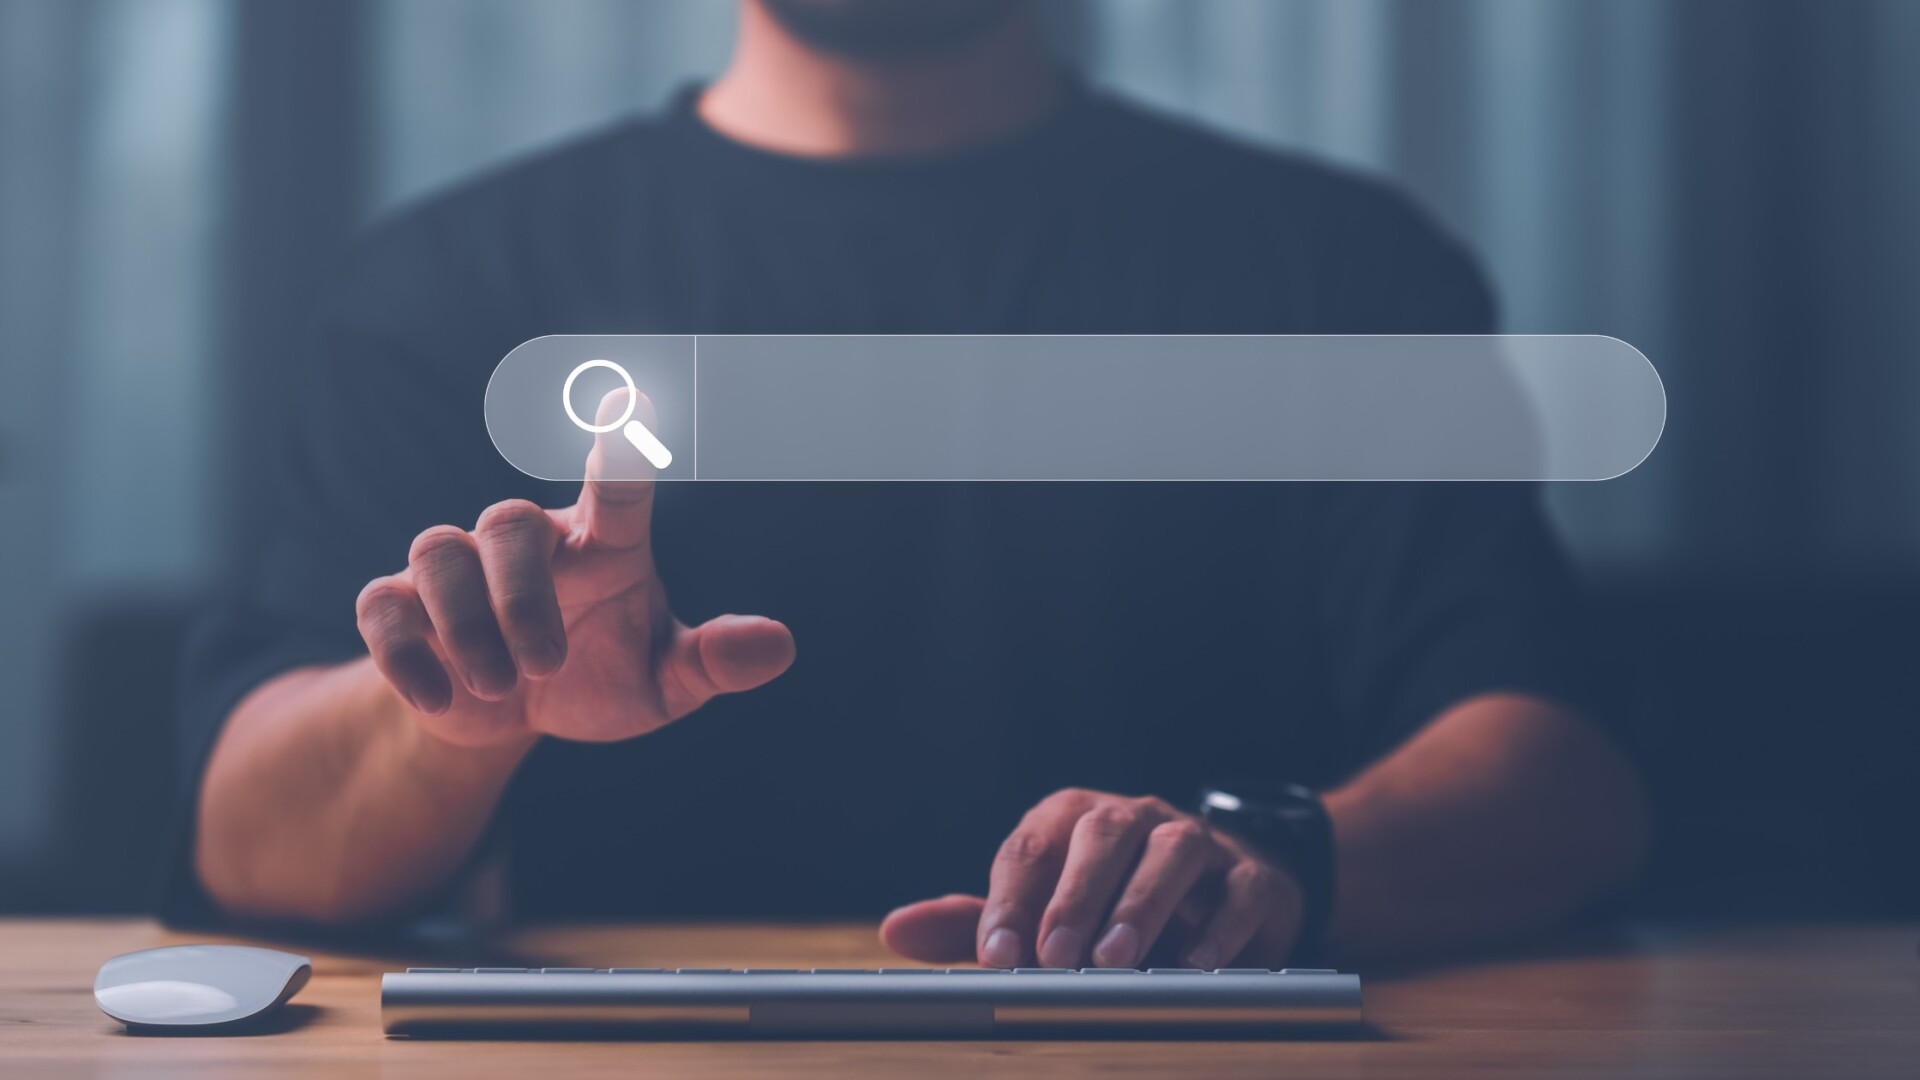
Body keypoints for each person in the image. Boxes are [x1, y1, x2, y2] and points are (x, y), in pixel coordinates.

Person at [172, 0, 1647, 972]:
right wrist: (457, 724)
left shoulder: (1338, 270)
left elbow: (1561, 779)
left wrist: (1271, 859)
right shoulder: (454, 280)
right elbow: (251, 841)